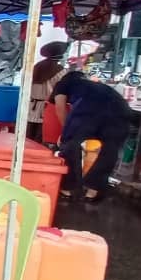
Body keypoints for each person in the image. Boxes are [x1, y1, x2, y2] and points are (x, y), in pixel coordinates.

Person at [50, 70, 130, 203]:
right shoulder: (95, 85)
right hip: (121, 110)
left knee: (70, 145)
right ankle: (94, 191)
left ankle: (67, 189)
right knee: (110, 148)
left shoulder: (63, 84)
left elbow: (60, 107)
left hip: (88, 111)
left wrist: (65, 132)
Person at [28, 41, 70, 142]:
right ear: (59, 54)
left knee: (28, 138)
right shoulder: (61, 71)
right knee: (41, 140)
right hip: (47, 108)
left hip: (30, 106)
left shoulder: (36, 66)